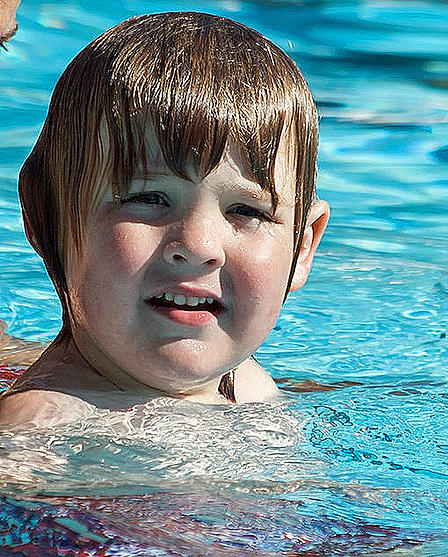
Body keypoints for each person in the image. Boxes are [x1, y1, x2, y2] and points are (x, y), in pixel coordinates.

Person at [0, 12, 329, 428]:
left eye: (246, 211)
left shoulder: (249, 387)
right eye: (148, 198)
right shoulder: (40, 427)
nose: (198, 245)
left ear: (303, 246)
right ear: (44, 214)